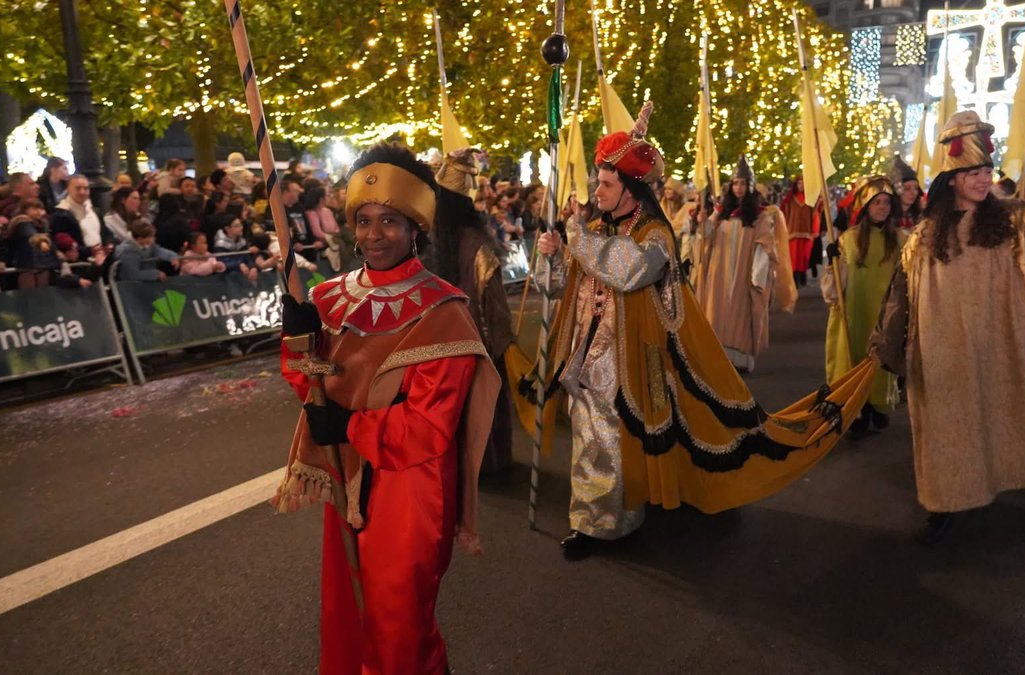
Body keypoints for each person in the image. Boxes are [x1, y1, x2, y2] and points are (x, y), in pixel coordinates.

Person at [535, 102, 874, 561]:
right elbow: (559, 286)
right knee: (590, 438)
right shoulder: (593, 228)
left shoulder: (654, 234)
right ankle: (593, 520)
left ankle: (609, 523)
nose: (598, 190)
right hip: (587, 355)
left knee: (615, 439)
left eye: (607, 182)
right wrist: (554, 255)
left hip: (633, 361)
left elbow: (629, 271)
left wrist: (575, 237)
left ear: (632, 190)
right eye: (599, 180)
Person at [270, 142, 499, 675]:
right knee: (348, 612)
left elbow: (428, 427)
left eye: (390, 221)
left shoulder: (444, 313)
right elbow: (306, 383)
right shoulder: (328, 297)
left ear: (416, 226)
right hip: (348, 476)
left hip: (411, 489)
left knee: (399, 623)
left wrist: (348, 424)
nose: (374, 234)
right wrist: (298, 344)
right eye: (364, 219)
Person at [869, 111, 1025, 544]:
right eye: (972, 171)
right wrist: (889, 344)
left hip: (995, 347)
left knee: (992, 419)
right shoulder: (922, 236)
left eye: (987, 170)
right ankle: (944, 505)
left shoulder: (1013, 221)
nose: (982, 178)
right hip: (942, 353)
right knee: (946, 432)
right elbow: (902, 294)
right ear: (952, 179)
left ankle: (987, 485)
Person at [430, 147, 517, 473]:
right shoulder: (464, 241)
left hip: (454, 340)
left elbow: (489, 297)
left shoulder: (451, 242)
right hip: (472, 339)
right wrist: (501, 338)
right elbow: (495, 304)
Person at [692, 155, 797, 373]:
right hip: (718, 273)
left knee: (740, 315)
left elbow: (764, 245)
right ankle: (718, 356)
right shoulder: (721, 212)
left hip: (744, 273)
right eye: (736, 183)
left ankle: (740, 360)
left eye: (743, 183)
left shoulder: (759, 215)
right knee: (717, 311)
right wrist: (702, 223)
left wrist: (757, 276)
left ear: (750, 186)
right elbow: (706, 238)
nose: (739, 188)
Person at [822, 176, 907, 435]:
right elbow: (835, 284)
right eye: (876, 202)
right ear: (865, 206)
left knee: (880, 357)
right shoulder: (849, 239)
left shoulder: (902, 240)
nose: (882, 207)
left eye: (886, 203)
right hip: (855, 311)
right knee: (854, 356)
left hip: (885, 312)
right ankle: (854, 408)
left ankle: (878, 405)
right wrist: (834, 262)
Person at [50, 174, 111, 258]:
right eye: (78, 188)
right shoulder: (61, 214)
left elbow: (106, 233)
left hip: (101, 258)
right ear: (68, 189)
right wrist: (89, 251)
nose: (82, 192)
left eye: (85, 188)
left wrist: (109, 244)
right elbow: (61, 243)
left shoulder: (95, 211)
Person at [780, 175, 822, 287]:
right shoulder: (789, 200)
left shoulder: (811, 199)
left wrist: (814, 230)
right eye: (799, 183)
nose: (801, 185)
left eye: (803, 183)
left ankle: (803, 276)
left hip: (806, 233)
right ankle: (795, 278)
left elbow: (815, 215)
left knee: (804, 257)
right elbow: (783, 214)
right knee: (793, 257)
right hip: (792, 233)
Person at [114, 222, 179, 282]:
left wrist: (172, 256)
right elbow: (133, 275)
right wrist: (156, 274)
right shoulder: (127, 251)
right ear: (140, 239)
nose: (154, 239)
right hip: (131, 285)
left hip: (147, 282)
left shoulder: (148, 244)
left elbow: (159, 250)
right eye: (151, 237)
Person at [890, 154, 924, 230]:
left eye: (916, 188)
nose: (913, 193)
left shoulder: (921, 217)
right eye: (907, 188)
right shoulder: (887, 219)